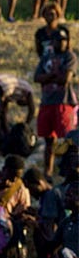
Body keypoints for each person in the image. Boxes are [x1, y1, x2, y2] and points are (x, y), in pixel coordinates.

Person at [34, 28, 77, 178]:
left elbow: (65, 79)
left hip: (63, 102)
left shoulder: (70, 56)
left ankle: (70, 170)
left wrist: (48, 77)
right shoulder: (46, 57)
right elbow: (37, 77)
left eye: (64, 40)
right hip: (47, 102)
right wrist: (52, 76)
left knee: (67, 140)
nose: (62, 43)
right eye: (59, 40)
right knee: (48, 140)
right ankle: (49, 171)